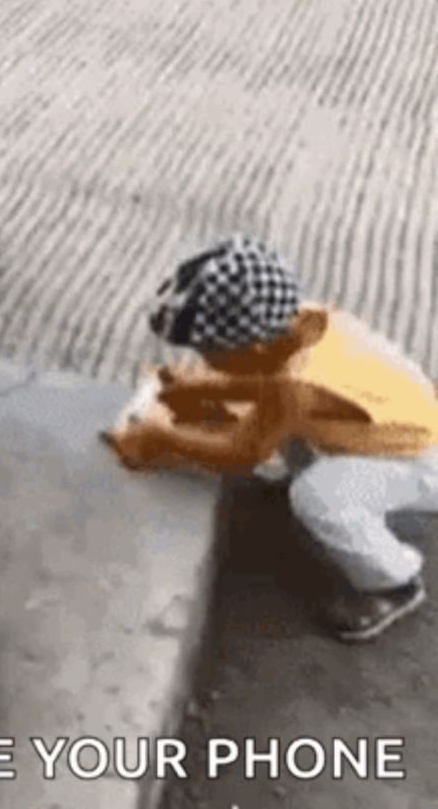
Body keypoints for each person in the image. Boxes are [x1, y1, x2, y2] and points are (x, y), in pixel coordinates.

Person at [105, 234, 438, 643]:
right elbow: (265, 378)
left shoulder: (295, 384)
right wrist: (205, 390)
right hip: (388, 430)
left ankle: (391, 583)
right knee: (274, 418)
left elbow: (243, 451)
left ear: (256, 345)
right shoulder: (303, 322)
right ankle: (311, 479)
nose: (206, 360)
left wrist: (164, 439)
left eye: (210, 352)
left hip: (420, 463)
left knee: (317, 495)